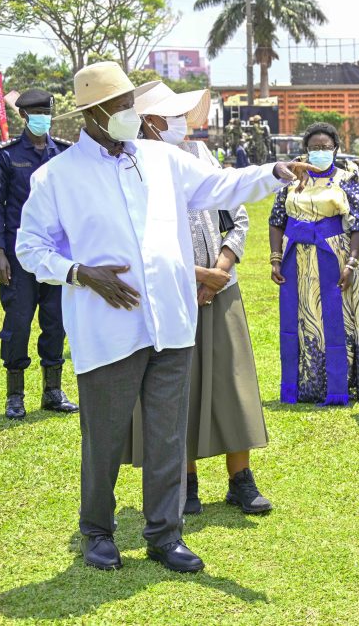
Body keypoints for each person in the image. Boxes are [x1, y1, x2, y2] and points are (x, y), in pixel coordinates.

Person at [15, 61, 303, 574]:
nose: (132, 112)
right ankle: (97, 532)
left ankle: (165, 535)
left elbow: (219, 185)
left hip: (171, 320)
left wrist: (272, 174)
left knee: (169, 434)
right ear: (95, 114)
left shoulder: (160, 158)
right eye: (122, 105)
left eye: (132, 103)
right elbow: (30, 247)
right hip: (110, 327)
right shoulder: (56, 176)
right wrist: (80, 272)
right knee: (103, 436)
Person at [128, 80, 272, 516]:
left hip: (220, 289)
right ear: (150, 122)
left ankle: (240, 480)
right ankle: (185, 481)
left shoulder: (201, 156)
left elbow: (239, 216)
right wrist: (194, 275)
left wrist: (220, 271)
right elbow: (137, 239)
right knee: (178, 388)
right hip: (171, 292)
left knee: (233, 380)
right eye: (170, 115)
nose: (180, 122)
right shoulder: (133, 166)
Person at [0, 88, 78, 419]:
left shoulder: (64, 154)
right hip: (18, 255)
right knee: (19, 321)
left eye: (47, 111)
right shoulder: (7, 155)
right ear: (23, 116)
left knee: (56, 321)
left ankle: (53, 391)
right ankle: (15, 395)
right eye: (36, 112)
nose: (43, 117)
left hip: (56, 254)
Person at [269, 122, 359, 406]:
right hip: (297, 263)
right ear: (305, 151)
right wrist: (276, 259)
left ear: (336, 149)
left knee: (339, 322)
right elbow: (276, 221)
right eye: (314, 148)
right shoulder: (290, 180)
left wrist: (351, 263)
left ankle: (340, 386)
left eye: (325, 147)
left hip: (335, 258)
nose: (319, 152)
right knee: (303, 321)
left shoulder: (348, 178)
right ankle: (304, 386)